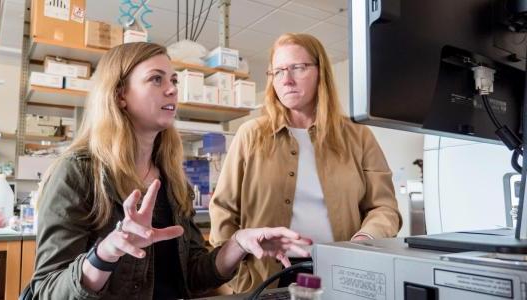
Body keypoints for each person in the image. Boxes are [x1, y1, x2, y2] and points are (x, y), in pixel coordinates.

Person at [31, 42, 312, 300]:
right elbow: (46, 290)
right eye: (156, 79)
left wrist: (238, 244)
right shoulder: (77, 173)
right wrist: (107, 252)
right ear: (120, 95)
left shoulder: (172, 178)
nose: (172, 89)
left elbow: (194, 275)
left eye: (174, 80)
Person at [209, 33, 402, 293]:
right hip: (264, 277)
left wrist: (364, 240)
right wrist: (237, 271)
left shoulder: (358, 136)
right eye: (277, 71)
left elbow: (384, 207)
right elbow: (223, 210)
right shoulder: (251, 134)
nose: (286, 80)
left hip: (341, 271)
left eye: (297, 68)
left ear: (321, 72)